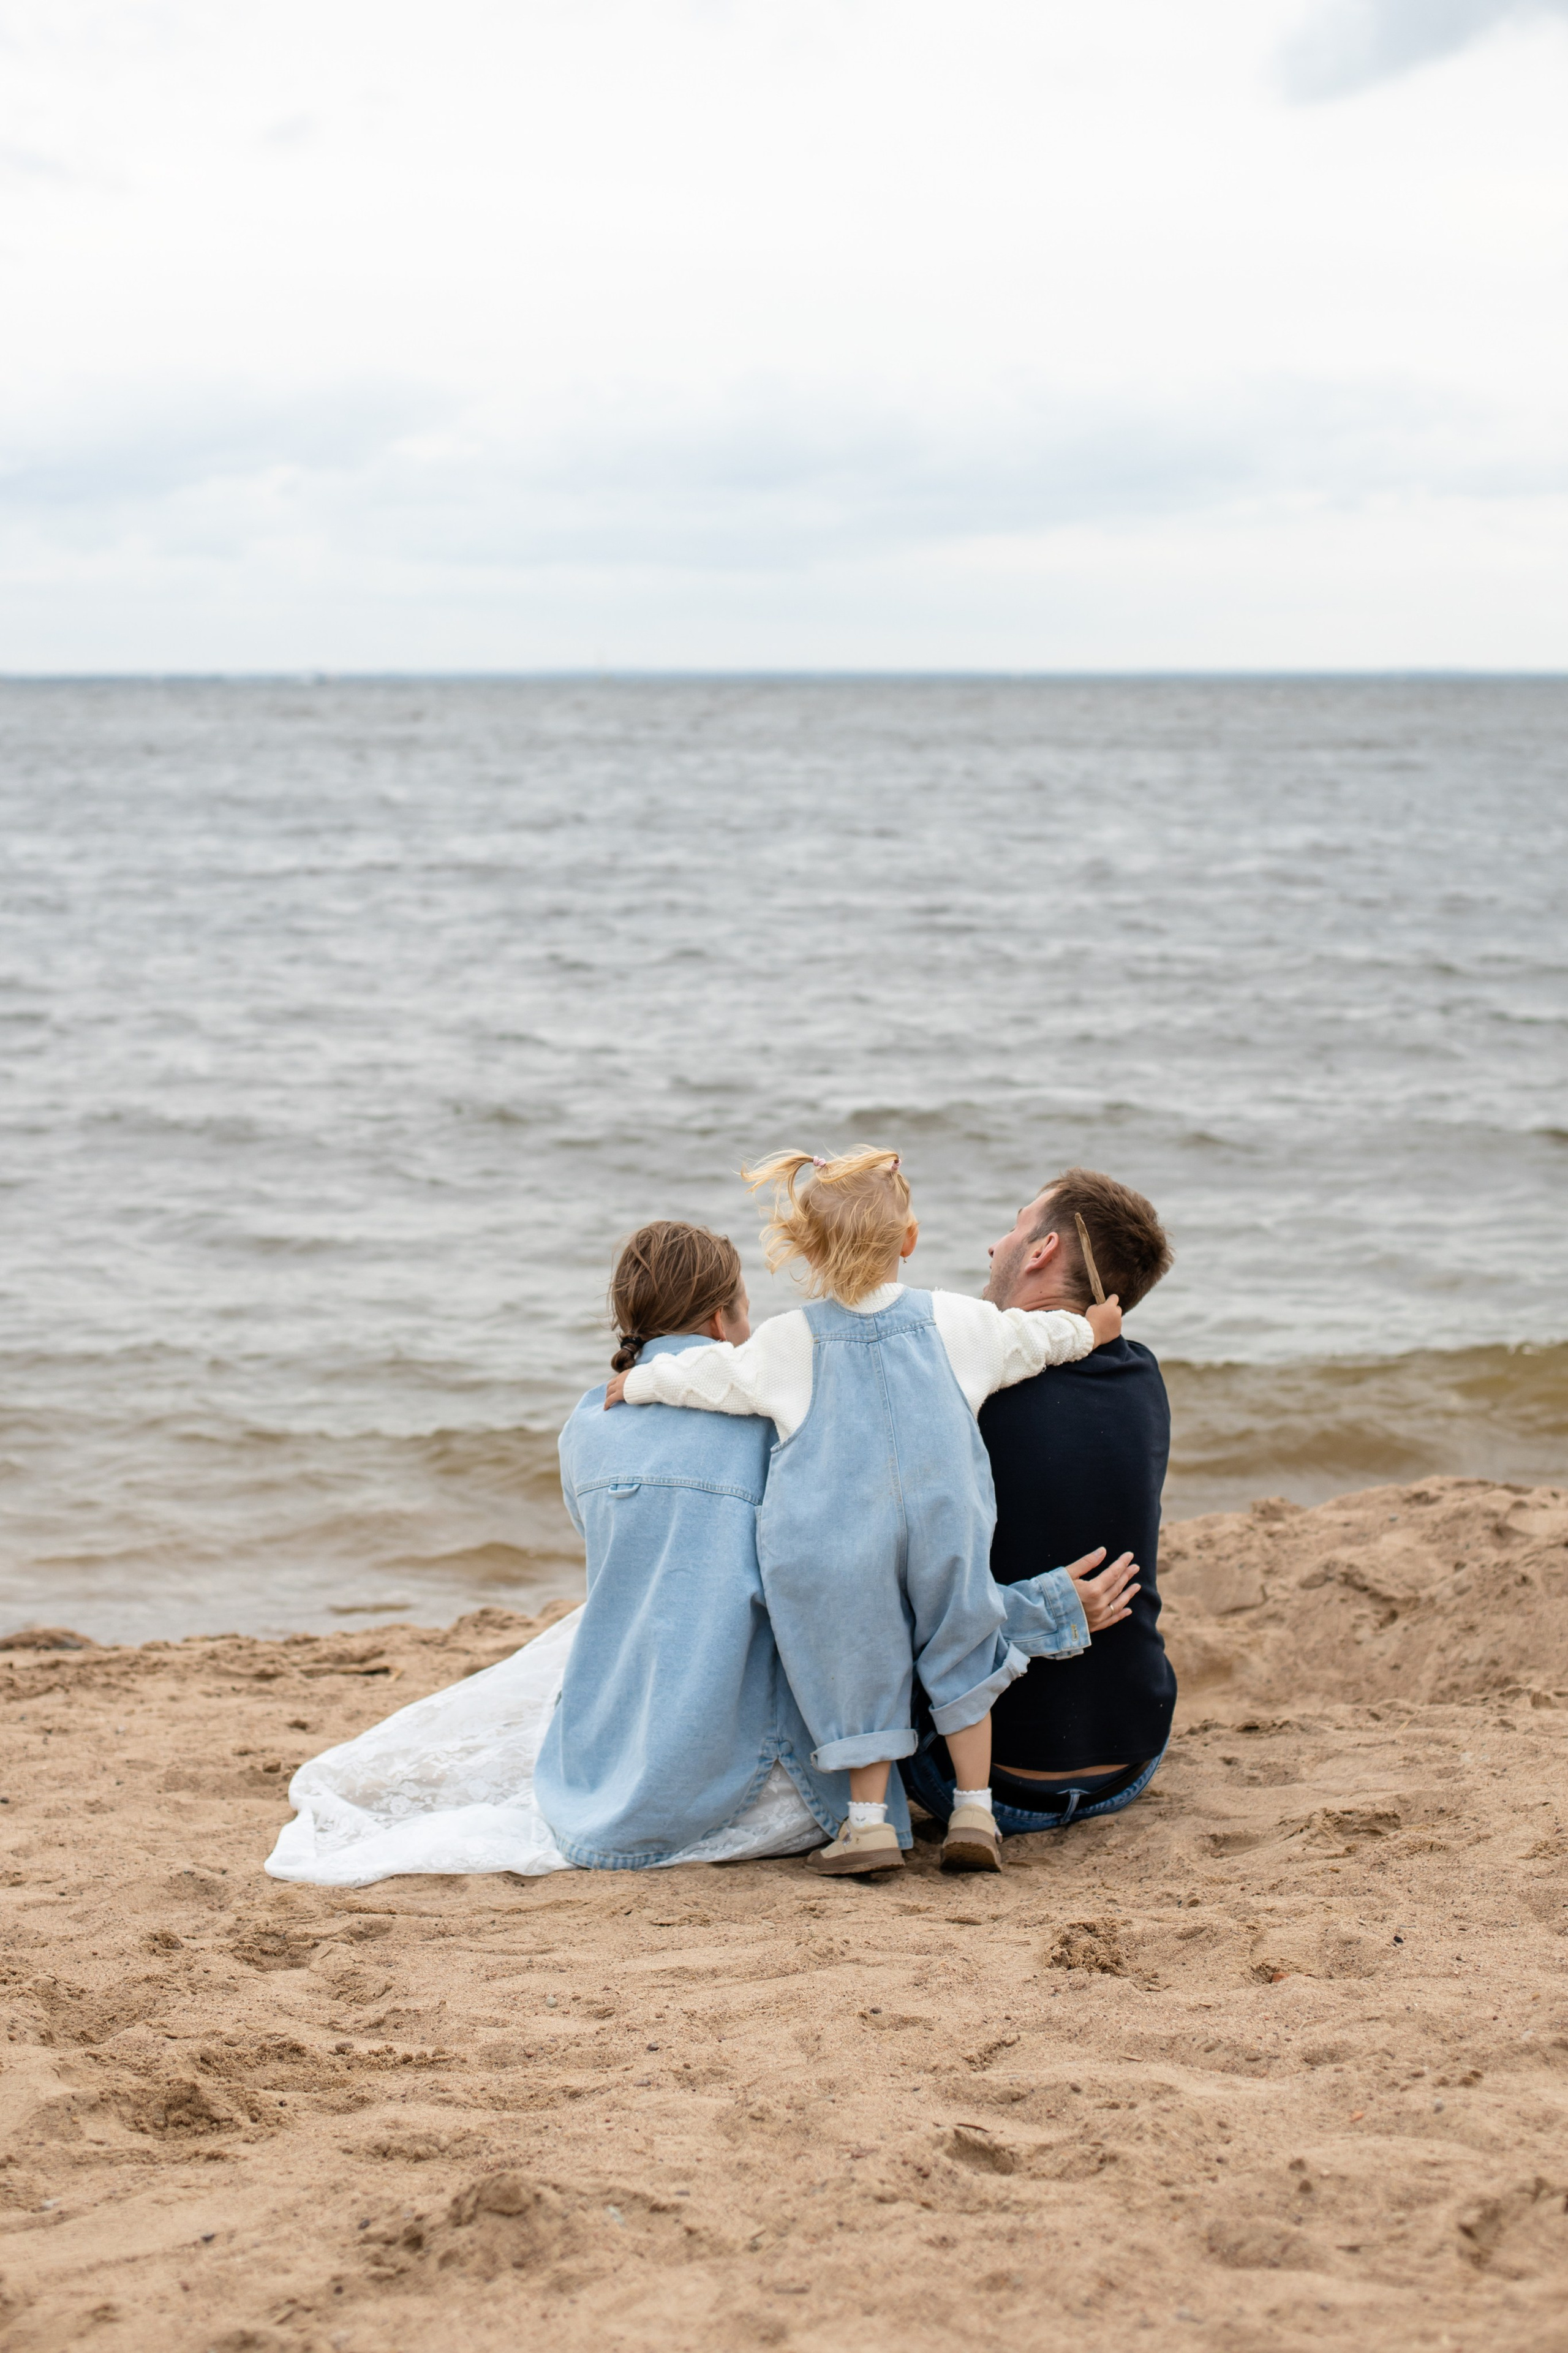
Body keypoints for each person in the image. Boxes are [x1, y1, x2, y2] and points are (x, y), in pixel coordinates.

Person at [266, 1217, 1134, 1887]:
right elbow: (856, 1603)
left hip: (606, 1756)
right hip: (742, 1777)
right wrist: (1047, 1608)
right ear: (725, 1317)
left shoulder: (587, 1422)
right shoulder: (770, 1425)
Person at [606, 1148, 1134, 1876]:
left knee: (854, 1658)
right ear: (909, 1239)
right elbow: (1041, 1339)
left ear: (807, 1251)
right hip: (947, 1521)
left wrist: (638, 1385)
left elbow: (715, 1376)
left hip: (834, 1536)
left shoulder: (791, 1340)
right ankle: (975, 1811)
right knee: (963, 1639)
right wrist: (1098, 1329)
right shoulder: (961, 1321)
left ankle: (866, 1826)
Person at [902, 1168, 1175, 1840]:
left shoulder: (969, 1386)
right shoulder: (1142, 1378)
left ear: (1042, 1249)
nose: (994, 1248)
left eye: (1014, 1225)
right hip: (1129, 1760)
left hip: (991, 1781)